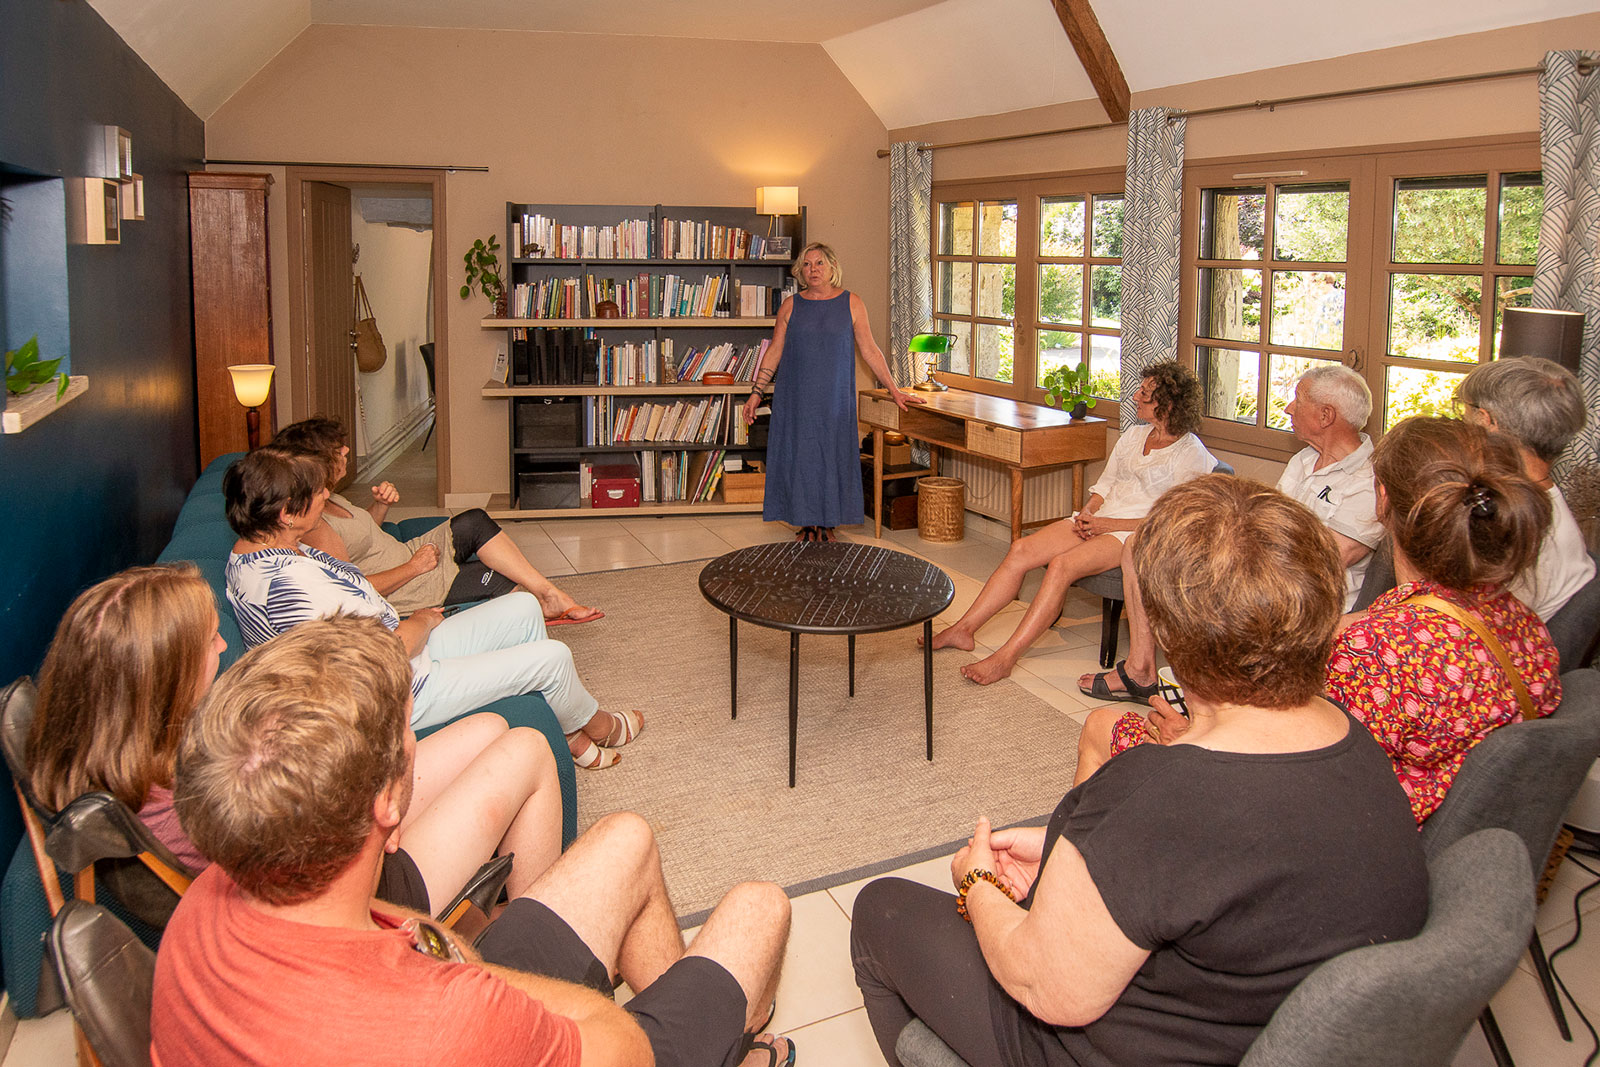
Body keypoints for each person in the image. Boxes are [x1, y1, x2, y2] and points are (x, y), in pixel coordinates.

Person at [850, 475, 1428, 1067]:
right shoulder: (1357, 743)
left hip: (1118, 1046)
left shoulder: (1156, 787)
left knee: (881, 909)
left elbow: (1047, 989)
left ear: (1170, 631)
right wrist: (1065, 850)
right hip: (1261, 1031)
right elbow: (1208, 871)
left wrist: (977, 884)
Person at [152, 617, 795, 1067]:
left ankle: (704, 1030)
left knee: (627, 837)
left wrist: (457, 958)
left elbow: (392, 939)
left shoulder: (205, 903)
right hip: (538, 1035)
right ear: (387, 806)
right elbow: (623, 1046)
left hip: (437, 995)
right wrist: (495, 982)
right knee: (761, 908)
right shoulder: (450, 1019)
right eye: (408, 735)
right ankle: (728, 1044)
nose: (416, 747)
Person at [1085, 418, 1561, 824]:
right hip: (1432, 824)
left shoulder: (1378, 648)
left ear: (1382, 498)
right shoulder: (1524, 624)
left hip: (1339, 830)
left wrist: (1193, 740)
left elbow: (1291, 775)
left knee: (1103, 726)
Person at [25, 564, 564, 907]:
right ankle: (534, 937)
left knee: (491, 726)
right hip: (354, 885)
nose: (221, 647)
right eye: (209, 641)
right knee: (528, 748)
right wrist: (381, 807)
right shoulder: (186, 798)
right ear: (165, 680)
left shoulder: (125, 758)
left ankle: (510, 902)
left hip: (332, 842)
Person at [223, 446, 640, 769]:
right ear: (286, 513)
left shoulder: (260, 552)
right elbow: (379, 655)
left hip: (403, 655)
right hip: (396, 691)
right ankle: (598, 725)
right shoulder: (291, 585)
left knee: (524, 608)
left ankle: (563, 729)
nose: (327, 495)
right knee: (553, 657)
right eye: (317, 493)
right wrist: (421, 622)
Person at [1079, 363, 1381, 703]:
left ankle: (1201, 686)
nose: (1288, 408)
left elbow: (1327, 560)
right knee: (1139, 545)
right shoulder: (1304, 461)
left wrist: (1234, 560)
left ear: (1326, 415)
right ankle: (1141, 670)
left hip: (1299, 598)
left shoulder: (1368, 479)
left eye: (1298, 399)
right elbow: (1267, 519)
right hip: (1262, 568)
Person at [930, 360, 1214, 685]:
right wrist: (1088, 514)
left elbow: (1172, 519)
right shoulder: (1134, 436)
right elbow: (1105, 486)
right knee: (1021, 549)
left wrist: (1106, 526)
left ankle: (1006, 658)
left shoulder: (1190, 453)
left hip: (1133, 533)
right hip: (1102, 519)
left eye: (1145, 393)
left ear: (1169, 404)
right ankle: (963, 630)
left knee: (1061, 566)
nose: (1135, 396)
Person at [274, 415, 602, 624]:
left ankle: (549, 594)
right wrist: (413, 567)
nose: (346, 450)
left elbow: (360, 537)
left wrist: (379, 506)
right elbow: (352, 589)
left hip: (410, 556)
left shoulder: (327, 496)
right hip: (408, 585)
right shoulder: (313, 525)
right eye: (337, 450)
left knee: (474, 520)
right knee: (496, 577)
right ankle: (544, 603)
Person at [740, 242, 922, 543]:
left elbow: (870, 350)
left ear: (832, 267)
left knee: (830, 458)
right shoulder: (790, 306)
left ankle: (827, 524)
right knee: (801, 459)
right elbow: (774, 351)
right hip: (796, 398)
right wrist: (756, 392)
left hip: (834, 399)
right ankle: (806, 524)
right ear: (800, 271)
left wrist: (894, 390)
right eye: (807, 264)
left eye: (819, 263)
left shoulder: (852, 303)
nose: (813, 269)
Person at [1456, 356, 1595, 620]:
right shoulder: (1541, 508)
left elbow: (1469, 625)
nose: (1462, 420)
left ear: (1486, 421)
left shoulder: (1517, 528)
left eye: (1465, 410)